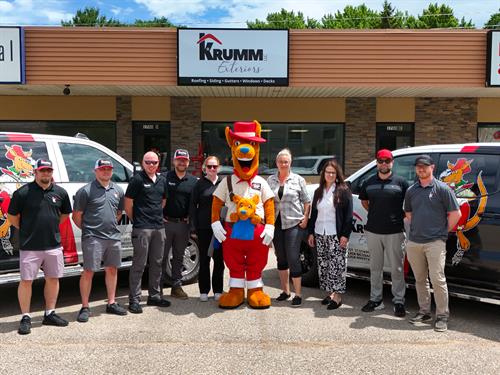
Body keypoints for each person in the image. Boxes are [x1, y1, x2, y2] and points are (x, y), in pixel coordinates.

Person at [7, 159, 72, 335]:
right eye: (42, 170)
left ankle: (49, 313)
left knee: (53, 278)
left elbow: (65, 214)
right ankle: (26, 317)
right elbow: (12, 216)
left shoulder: (60, 192)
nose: (46, 174)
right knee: (27, 281)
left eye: (49, 170)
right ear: (35, 172)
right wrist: (27, 228)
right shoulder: (23, 192)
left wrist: (50, 227)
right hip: (30, 245)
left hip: (53, 244)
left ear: (52, 172)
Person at [404, 154, 461, 332]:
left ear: (432, 168)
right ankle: (424, 311)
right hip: (414, 242)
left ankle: (442, 316)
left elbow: (455, 214)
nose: (421, 169)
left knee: (437, 279)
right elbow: (409, 214)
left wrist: (442, 233)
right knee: (420, 279)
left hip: (435, 242)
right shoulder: (411, 190)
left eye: (425, 166)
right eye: (418, 166)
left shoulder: (443, 189)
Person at [72, 159, 127, 323]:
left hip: (113, 237)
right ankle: (85, 307)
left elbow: (118, 213)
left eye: (109, 169)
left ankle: (111, 302)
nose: (106, 172)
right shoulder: (85, 191)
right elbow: (76, 217)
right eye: (102, 169)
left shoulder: (118, 190)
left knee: (112, 270)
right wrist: (90, 230)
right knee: (88, 271)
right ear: (95, 171)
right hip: (93, 237)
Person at [359, 149, 409, 317]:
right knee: (375, 268)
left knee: (396, 268)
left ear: (392, 162)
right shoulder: (368, 182)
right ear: (376, 162)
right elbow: (365, 202)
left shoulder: (401, 183)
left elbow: (408, 206)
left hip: (395, 231)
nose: (384, 163)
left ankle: (399, 301)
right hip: (373, 230)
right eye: (381, 160)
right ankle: (376, 300)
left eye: (387, 160)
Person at [125, 151, 170, 314]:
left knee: (157, 263)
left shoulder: (162, 181)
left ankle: (154, 296)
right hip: (142, 228)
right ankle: (134, 300)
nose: (151, 165)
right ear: (142, 163)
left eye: (154, 162)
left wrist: (155, 215)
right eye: (148, 162)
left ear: (158, 164)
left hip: (159, 227)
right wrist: (137, 219)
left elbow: (163, 201)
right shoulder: (136, 180)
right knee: (139, 264)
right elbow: (128, 203)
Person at [267, 149, 311, 307]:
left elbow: (307, 201)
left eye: (286, 162)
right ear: (276, 163)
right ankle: (285, 291)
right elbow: (266, 201)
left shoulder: (298, 179)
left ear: (290, 163)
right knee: (281, 258)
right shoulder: (270, 180)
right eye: (280, 161)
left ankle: (298, 294)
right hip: (276, 224)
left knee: (293, 257)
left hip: (294, 223)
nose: (283, 164)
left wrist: (305, 218)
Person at [307, 160, 352, 310]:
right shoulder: (318, 191)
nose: (330, 175)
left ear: (337, 174)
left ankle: (338, 297)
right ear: (323, 174)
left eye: (333, 172)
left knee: (337, 266)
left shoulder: (343, 190)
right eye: (328, 172)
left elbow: (348, 216)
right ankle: (329, 293)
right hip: (320, 233)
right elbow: (313, 214)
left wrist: (345, 235)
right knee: (324, 265)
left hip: (336, 235)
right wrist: (311, 233)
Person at [162, 149, 198, 299]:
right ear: (174, 161)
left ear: (188, 162)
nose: (182, 162)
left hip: (183, 224)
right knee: (161, 257)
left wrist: (192, 223)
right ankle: (156, 289)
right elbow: (157, 198)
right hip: (165, 223)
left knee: (179, 256)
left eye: (184, 160)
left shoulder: (193, 181)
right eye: (179, 159)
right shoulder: (164, 178)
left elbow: (195, 204)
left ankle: (176, 287)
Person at [190, 156, 224, 302]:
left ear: (218, 167)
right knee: (204, 260)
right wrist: (193, 227)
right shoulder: (199, 184)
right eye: (209, 166)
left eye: (214, 166)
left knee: (219, 260)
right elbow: (192, 206)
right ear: (204, 167)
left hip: (220, 229)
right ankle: (204, 290)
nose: (212, 169)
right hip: (204, 228)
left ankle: (218, 290)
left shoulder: (223, 183)